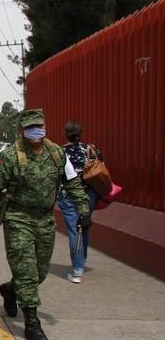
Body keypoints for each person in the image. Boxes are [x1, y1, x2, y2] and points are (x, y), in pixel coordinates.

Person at [0, 109, 91, 340]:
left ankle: (10, 289)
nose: (36, 132)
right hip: (18, 219)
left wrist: (84, 210)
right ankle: (31, 322)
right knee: (27, 273)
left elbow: (73, 183)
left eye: (38, 126)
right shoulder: (11, 156)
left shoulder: (57, 154)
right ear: (22, 131)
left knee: (38, 273)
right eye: (30, 128)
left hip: (45, 220)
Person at [58, 121, 101, 283]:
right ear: (80, 133)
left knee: (73, 230)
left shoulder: (61, 152)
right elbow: (101, 167)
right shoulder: (90, 149)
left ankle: (77, 270)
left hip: (68, 195)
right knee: (84, 226)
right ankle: (81, 263)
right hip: (89, 193)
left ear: (66, 133)